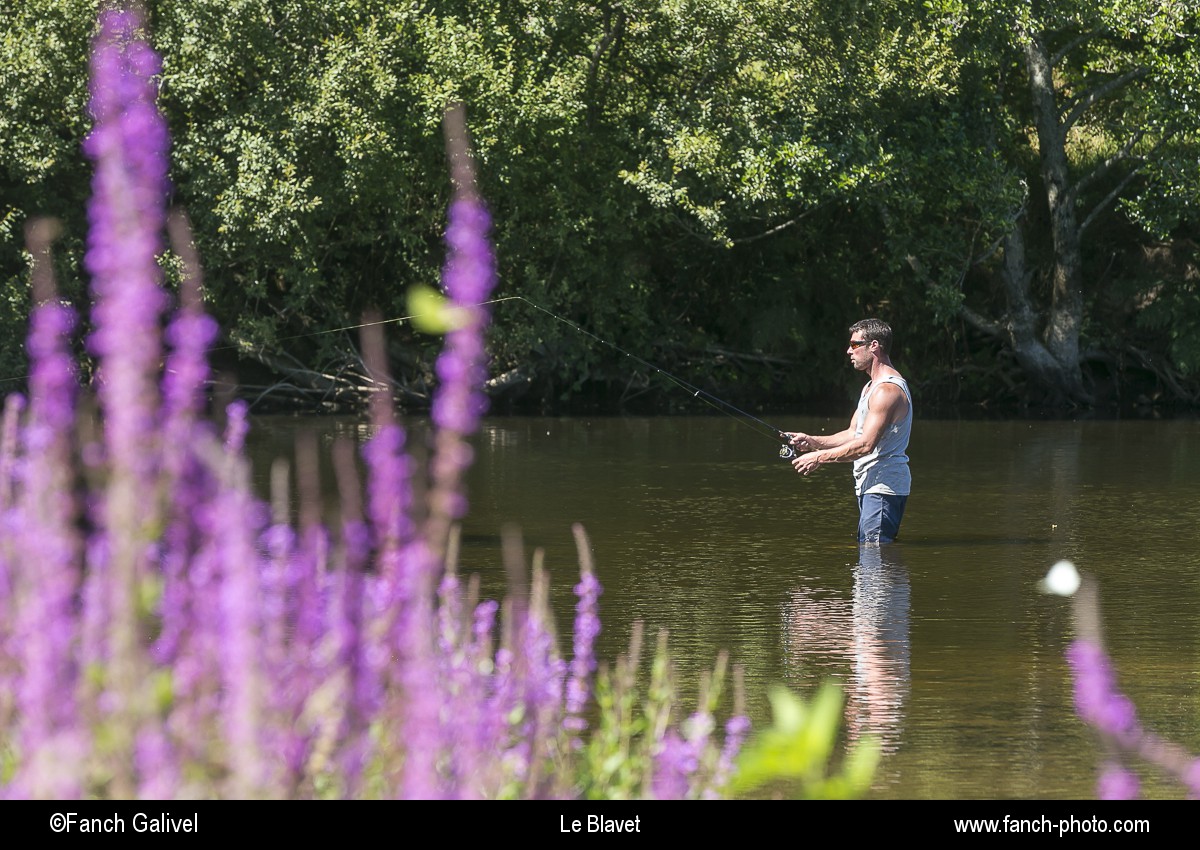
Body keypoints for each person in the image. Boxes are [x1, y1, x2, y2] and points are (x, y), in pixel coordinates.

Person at [784, 318, 912, 544]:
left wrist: (818, 457)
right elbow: (854, 433)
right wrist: (812, 441)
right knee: (871, 552)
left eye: (854, 344)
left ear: (874, 346)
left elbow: (865, 445)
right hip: (870, 484)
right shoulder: (870, 387)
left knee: (874, 553)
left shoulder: (887, 391)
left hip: (883, 487)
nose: (848, 351)